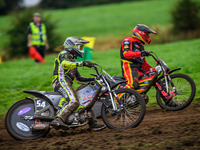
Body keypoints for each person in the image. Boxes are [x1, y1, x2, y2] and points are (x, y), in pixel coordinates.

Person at [51, 37, 106, 131]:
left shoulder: (72, 61)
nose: (82, 50)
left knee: (85, 100)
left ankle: (93, 122)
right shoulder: (64, 54)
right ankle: (58, 119)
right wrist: (82, 63)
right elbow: (64, 64)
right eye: (80, 47)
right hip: (61, 81)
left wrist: (94, 79)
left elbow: (78, 79)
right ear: (72, 46)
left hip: (67, 83)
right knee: (74, 101)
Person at [120, 24, 157, 103]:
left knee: (154, 77)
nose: (148, 36)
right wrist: (140, 53)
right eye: (147, 34)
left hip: (139, 69)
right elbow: (126, 54)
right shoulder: (128, 40)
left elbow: (144, 64)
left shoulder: (140, 46)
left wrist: (154, 70)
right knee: (132, 84)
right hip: (129, 67)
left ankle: (168, 101)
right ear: (141, 33)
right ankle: (116, 101)